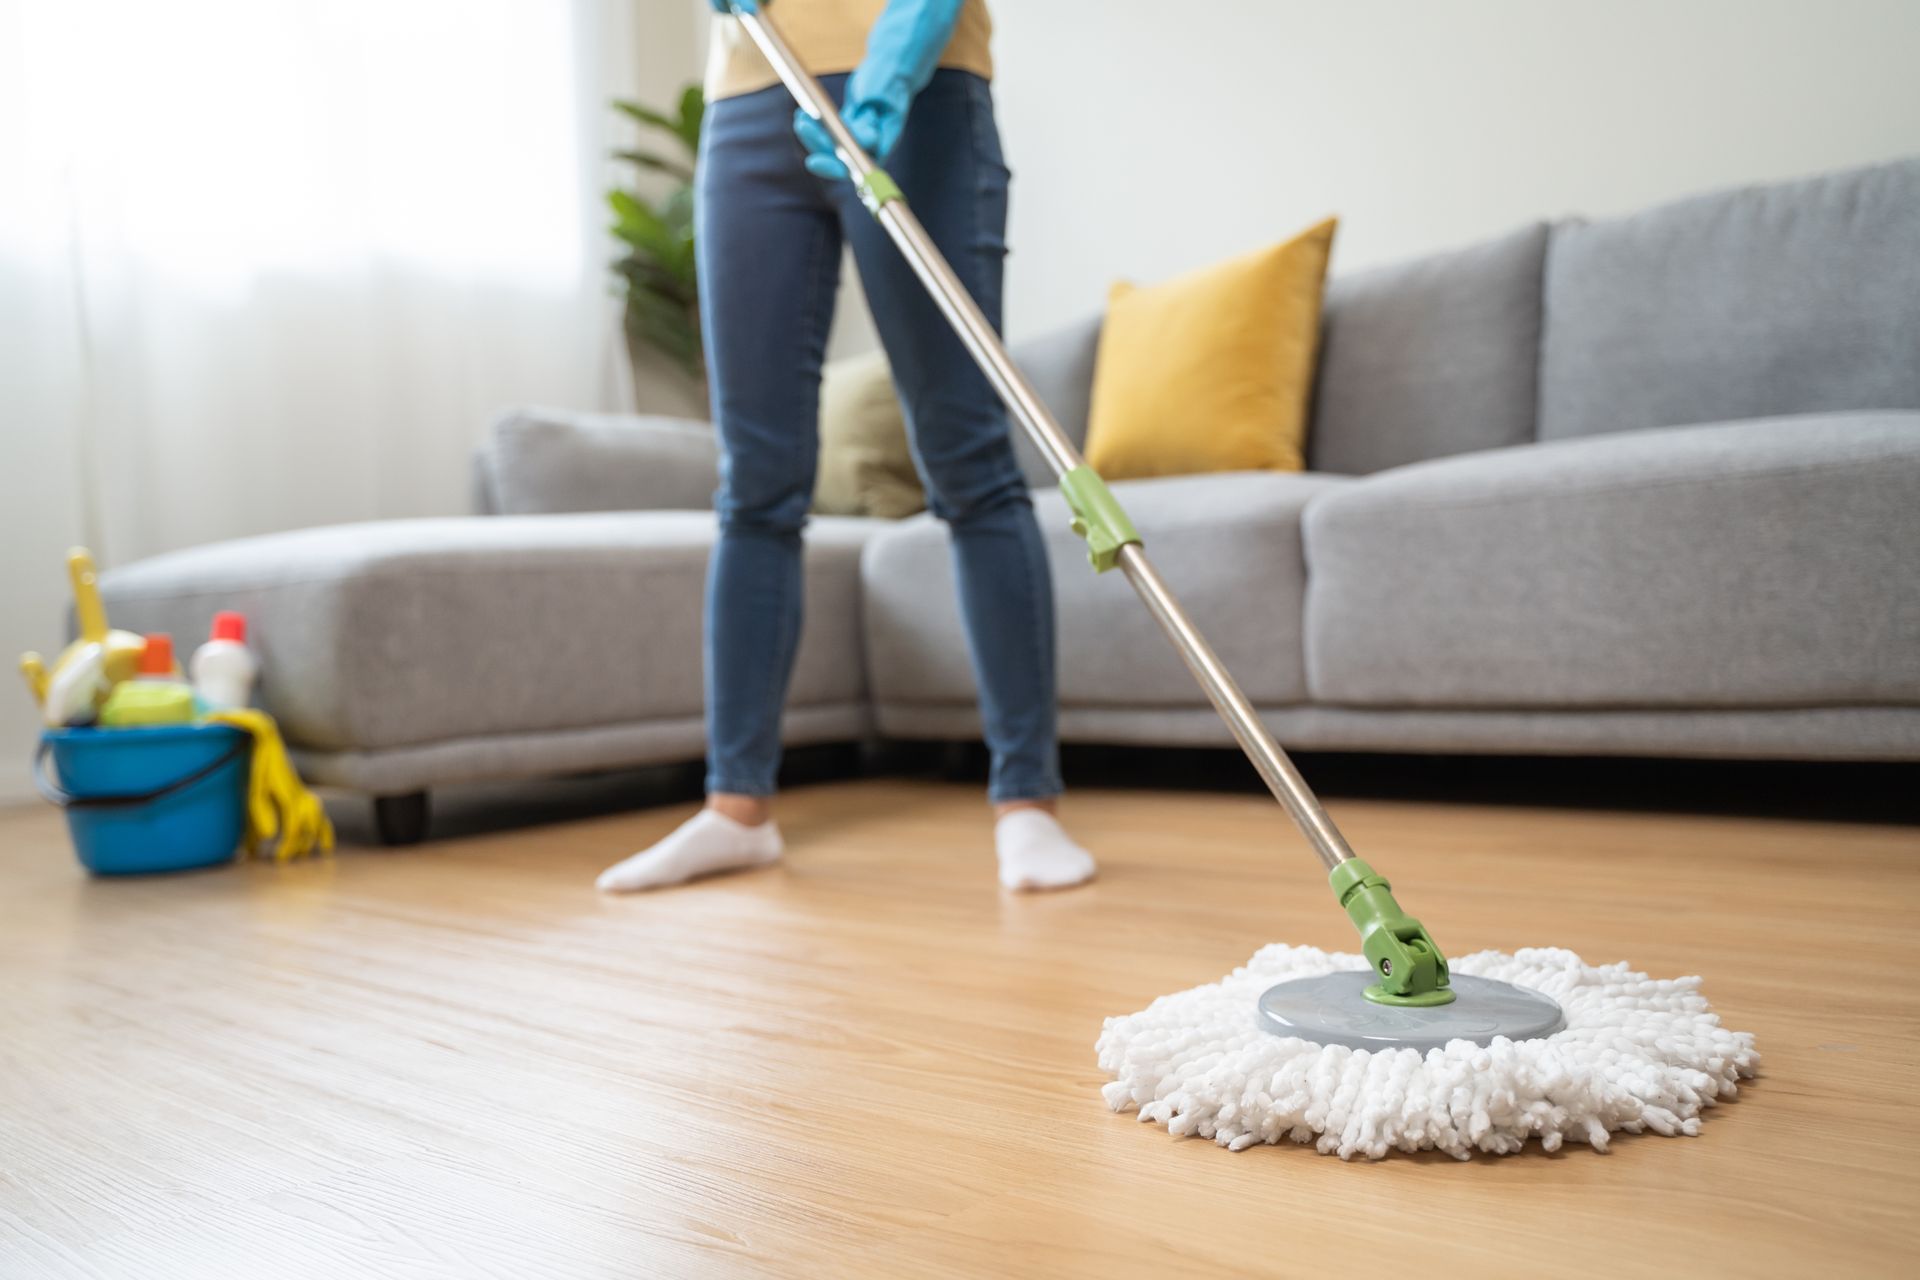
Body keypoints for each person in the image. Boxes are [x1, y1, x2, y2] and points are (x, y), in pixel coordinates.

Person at [597, 0, 1096, 894]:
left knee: (968, 460)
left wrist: (896, 59)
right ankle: (736, 809)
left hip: (924, 82)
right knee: (754, 481)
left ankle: (1028, 804)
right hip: (751, 93)